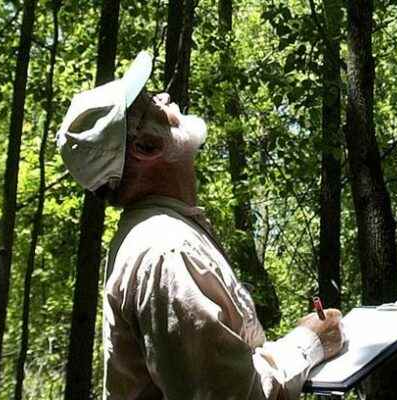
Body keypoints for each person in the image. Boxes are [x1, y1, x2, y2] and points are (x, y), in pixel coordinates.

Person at [56, 51, 345, 399]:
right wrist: (310, 342)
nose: (164, 97)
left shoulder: (164, 235)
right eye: (151, 102)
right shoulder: (166, 251)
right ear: (147, 147)